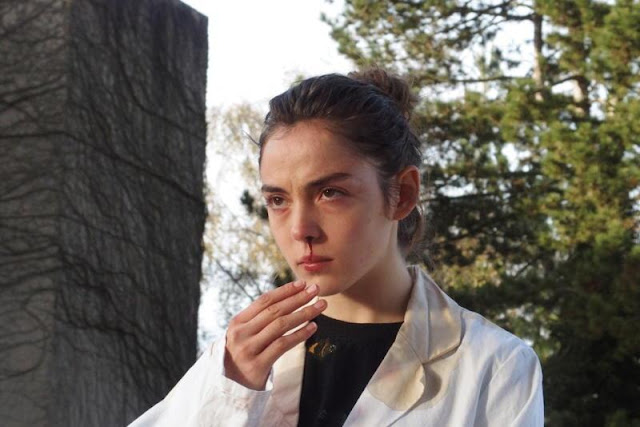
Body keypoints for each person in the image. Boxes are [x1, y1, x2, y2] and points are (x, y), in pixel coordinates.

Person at [129, 69, 544, 426]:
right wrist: (231, 399)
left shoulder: (495, 366)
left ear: (402, 194)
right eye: (278, 200)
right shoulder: (234, 362)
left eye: (330, 193)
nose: (300, 229)